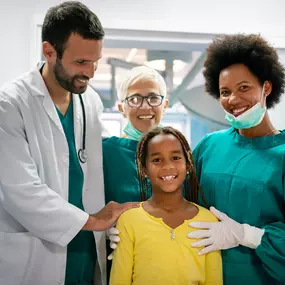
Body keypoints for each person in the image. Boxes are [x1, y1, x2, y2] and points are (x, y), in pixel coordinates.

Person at [0, 2, 138, 285]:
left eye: (95, 60)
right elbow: (20, 192)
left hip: (85, 250)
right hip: (37, 250)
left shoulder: (91, 101)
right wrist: (93, 221)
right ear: (49, 52)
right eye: (80, 62)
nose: (91, 72)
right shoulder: (10, 106)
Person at [187, 34, 285, 285]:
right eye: (224, 92)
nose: (233, 100)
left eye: (244, 88)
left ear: (267, 87)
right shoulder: (209, 146)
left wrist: (247, 235)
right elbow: (179, 203)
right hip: (204, 274)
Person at [109, 126, 223, 285]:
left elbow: (214, 280)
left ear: (188, 165)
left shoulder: (207, 220)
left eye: (176, 157)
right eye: (157, 160)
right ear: (144, 169)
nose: (167, 166)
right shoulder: (129, 220)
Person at [103, 66, 168, 265]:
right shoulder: (105, 153)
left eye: (153, 98)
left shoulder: (178, 155)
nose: (146, 107)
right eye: (135, 99)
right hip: (118, 258)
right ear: (122, 108)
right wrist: (102, 230)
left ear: (164, 105)